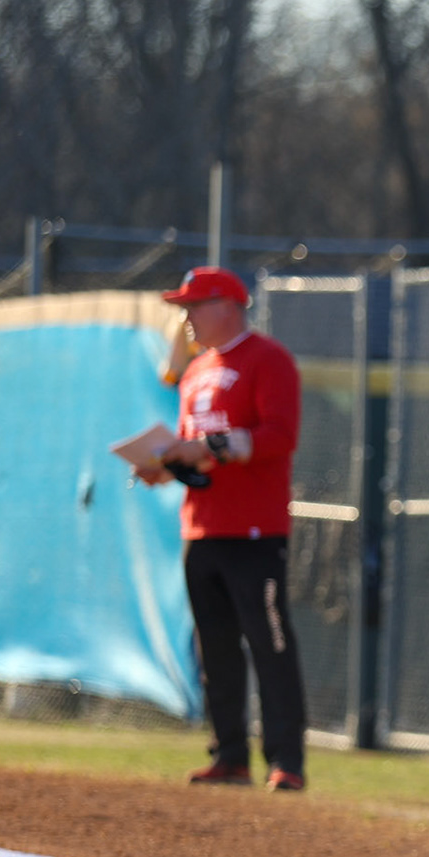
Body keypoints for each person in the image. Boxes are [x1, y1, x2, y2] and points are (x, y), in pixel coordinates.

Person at [137, 265, 309, 792]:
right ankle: (229, 753)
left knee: (269, 645)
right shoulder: (194, 372)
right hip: (202, 530)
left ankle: (286, 760)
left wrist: (205, 448)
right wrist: (164, 465)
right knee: (214, 648)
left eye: (194, 306)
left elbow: (278, 436)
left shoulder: (268, 359)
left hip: (254, 532)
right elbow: (201, 453)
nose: (186, 317)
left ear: (228, 306)